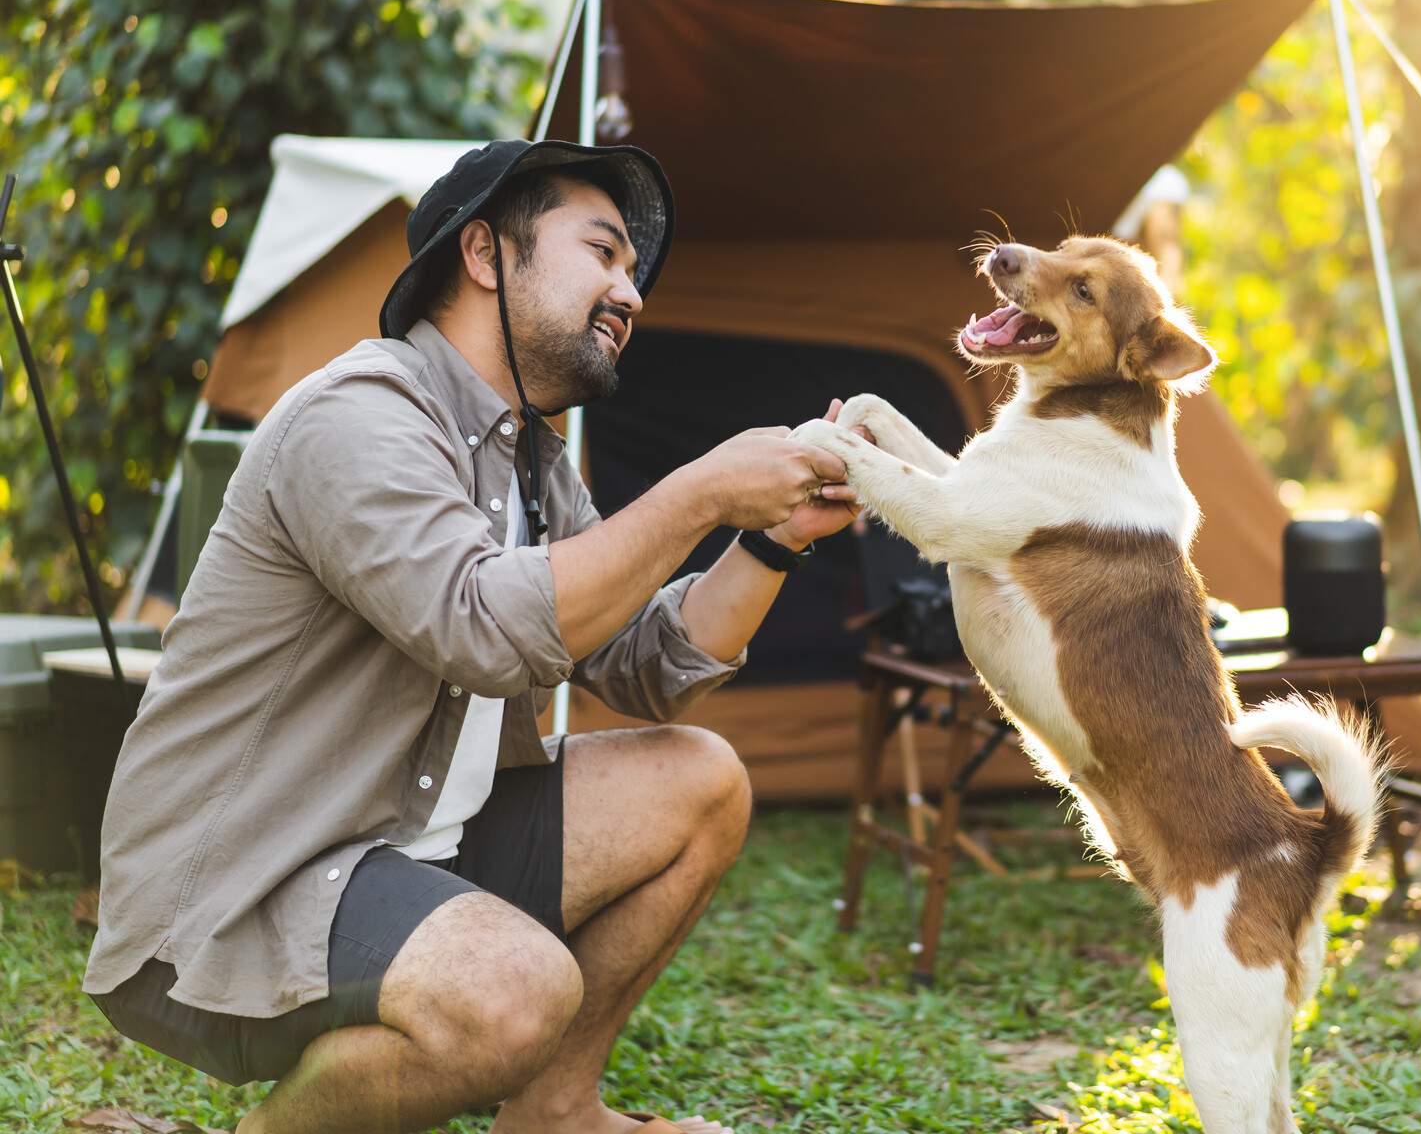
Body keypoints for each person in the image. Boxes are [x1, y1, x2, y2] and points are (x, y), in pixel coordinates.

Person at [83, 140, 856, 1134]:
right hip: (245, 879)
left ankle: (555, 1114)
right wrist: (702, 487)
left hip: (404, 844)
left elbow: (644, 667)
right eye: (605, 253)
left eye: (633, 270)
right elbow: (482, 624)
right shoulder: (357, 417)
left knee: (701, 781)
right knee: (516, 989)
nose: (631, 293)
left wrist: (773, 539)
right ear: (487, 253)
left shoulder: (530, 457)